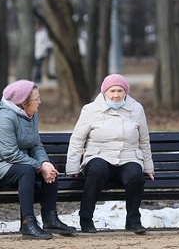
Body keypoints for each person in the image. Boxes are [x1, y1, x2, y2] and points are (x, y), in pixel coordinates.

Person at [0, 80, 76, 239]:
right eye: (37, 99)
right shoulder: (4, 118)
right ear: (23, 102)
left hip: (14, 162)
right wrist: (39, 167)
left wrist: (44, 163)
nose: (40, 102)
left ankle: (50, 218)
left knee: (50, 166)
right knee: (26, 171)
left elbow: (36, 144)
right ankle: (28, 223)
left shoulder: (31, 115)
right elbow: (9, 153)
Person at [65, 74, 155, 234]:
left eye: (120, 90)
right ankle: (86, 219)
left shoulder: (136, 109)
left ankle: (133, 220)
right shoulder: (91, 109)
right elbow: (77, 139)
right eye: (112, 90)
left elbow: (144, 140)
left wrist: (148, 167)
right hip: (98, 156)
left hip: (128, 156)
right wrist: (72, 167)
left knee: (136, 176)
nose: (116, 94)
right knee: (97, 171)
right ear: (104, 92)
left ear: (126, 92)